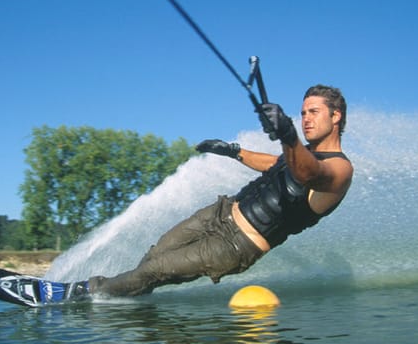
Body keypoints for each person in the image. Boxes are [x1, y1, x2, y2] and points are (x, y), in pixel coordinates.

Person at [78, 84, 353, 298]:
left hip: (236, 244)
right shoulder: (297, 154)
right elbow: (274, 164)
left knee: (153, 270)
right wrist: (233, 151)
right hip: (221, 213)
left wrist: (288, 134)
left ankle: (81, 292)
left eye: (313, 112)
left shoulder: (340, 169)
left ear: (336, 115)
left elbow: (308, 174)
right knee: (155, 255)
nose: (306, 119)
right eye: (303, 113)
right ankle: (126, 294)